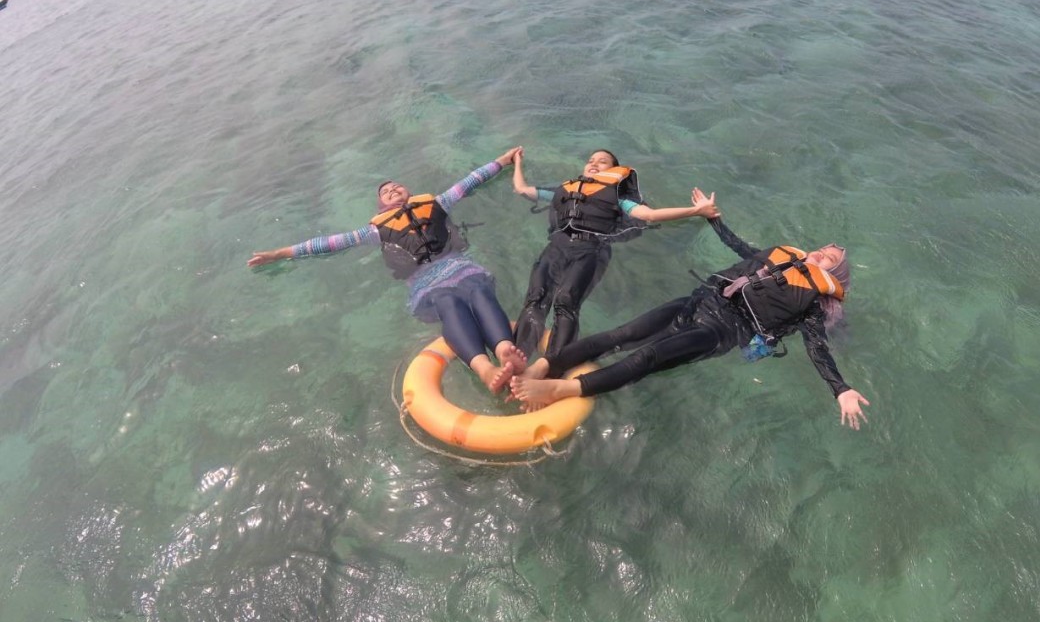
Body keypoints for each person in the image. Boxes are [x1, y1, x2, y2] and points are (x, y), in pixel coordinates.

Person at [511, 191, 871, 429]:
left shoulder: (810, 305)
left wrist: (840, 388)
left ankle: (561, 390)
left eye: (830, 259)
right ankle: (545, 365)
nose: (821, 253)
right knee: (620, 335)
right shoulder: (780, 258)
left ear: (833, 275)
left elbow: (817, 346)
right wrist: (712, 218)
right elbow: (739, 247)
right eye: (822, 249)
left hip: (721, 331)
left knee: (649, 356)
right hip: (699, 301)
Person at [248, 148, 527, 392]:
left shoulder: (438, 202)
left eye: (397, 186)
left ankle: (504, 351)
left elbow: (471, 181)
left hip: (460, 268)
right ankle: (484, 369)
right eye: (386, 192)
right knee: (449, 303)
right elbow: (329, 244)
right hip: (426, 284)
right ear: (381, 205)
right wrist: (281, 253)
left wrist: (502, 161)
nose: (392, 190)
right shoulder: (375, 231)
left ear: (409, 192)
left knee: (478, 291)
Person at [510, 147, 720, 361]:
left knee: (566, 302)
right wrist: (517, 161)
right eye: (590, 160)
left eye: (602, 162)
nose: (593, 163)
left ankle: (553, 364)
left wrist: (697, 210)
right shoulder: (564, 190)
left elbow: (650, 215)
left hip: (589, 250)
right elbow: (522, 189)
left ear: (614, 170)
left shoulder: (617, 197)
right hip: (555, 247)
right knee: (536, 297)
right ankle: (519, 357)